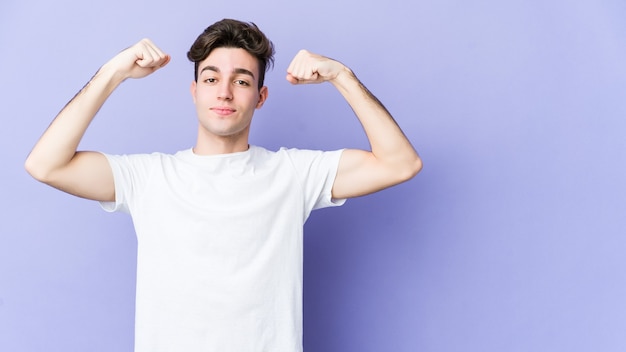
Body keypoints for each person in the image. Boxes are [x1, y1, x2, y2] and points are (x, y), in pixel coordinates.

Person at [25, 18, 421, 352]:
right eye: (211, 78)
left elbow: (400, 163)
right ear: (195, 91)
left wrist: (341, 76)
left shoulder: (293, 174)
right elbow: (45, 165)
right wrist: (113, 72)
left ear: (261, 97)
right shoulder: (148, 178)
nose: (225, 92)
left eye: (242, 81)